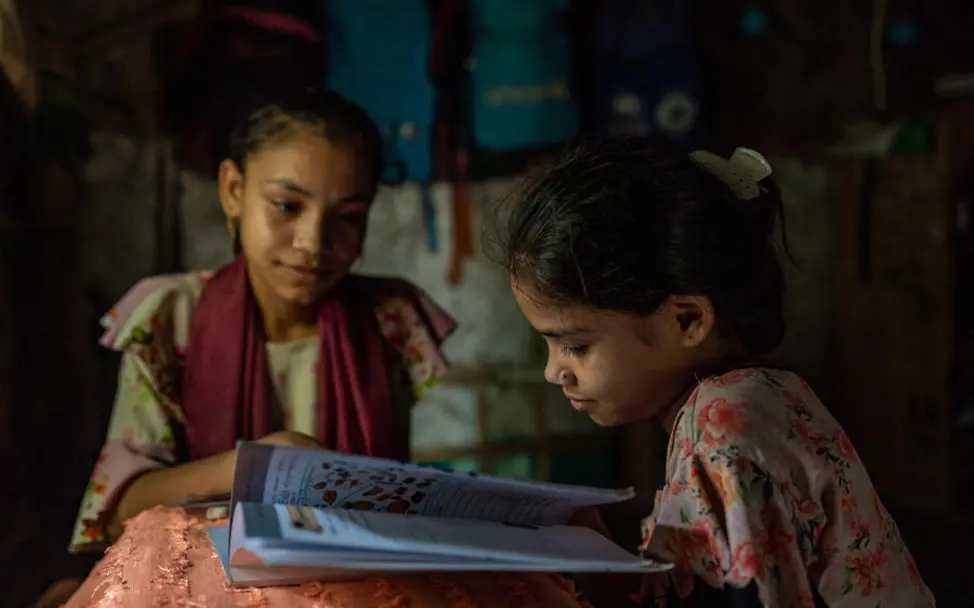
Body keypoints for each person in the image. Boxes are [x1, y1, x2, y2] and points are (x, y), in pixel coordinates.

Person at [51, 88, 593, 608]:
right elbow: (123, 508)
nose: (313, 242)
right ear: (233, 191)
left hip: (345, 574)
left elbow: (388, 477)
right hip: (210, 577)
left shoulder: (391, 318)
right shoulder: (170, 317)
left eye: (348, 217)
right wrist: (252, 466)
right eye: (288, 206)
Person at [500, 136, 936, 607]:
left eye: (576, 346)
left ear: (687, 320)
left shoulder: (723, 429)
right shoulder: (756, 395)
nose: (553, 372)